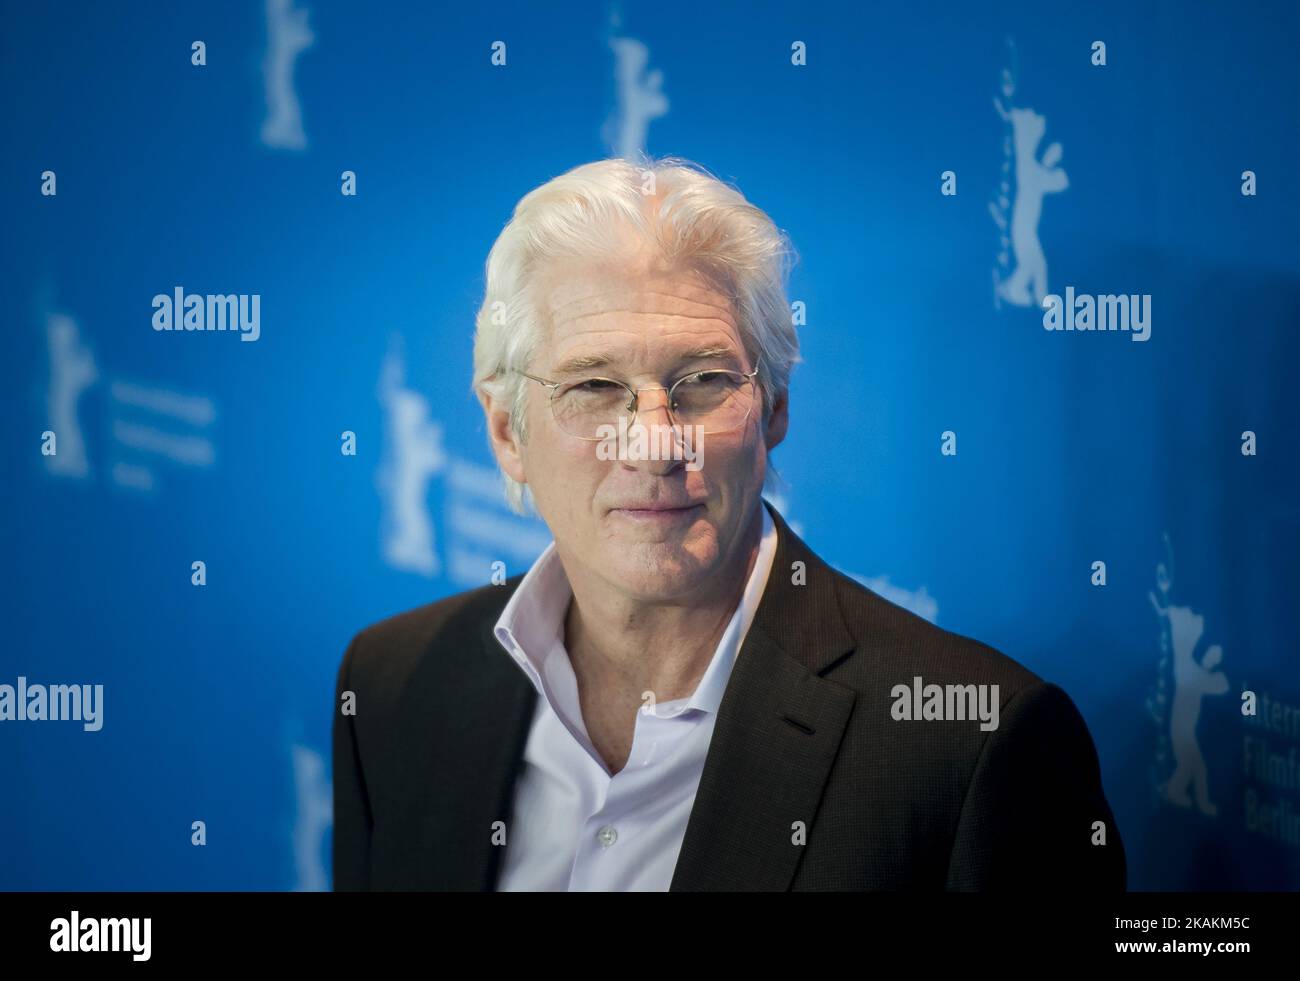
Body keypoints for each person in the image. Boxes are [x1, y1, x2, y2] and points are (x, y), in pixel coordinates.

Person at [332, 155, 1126, 891]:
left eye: (703, 381)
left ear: (774, 406)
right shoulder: (394, 684)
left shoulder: (971, 744)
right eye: (596, 386)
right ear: (508, 431)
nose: (652, 441)